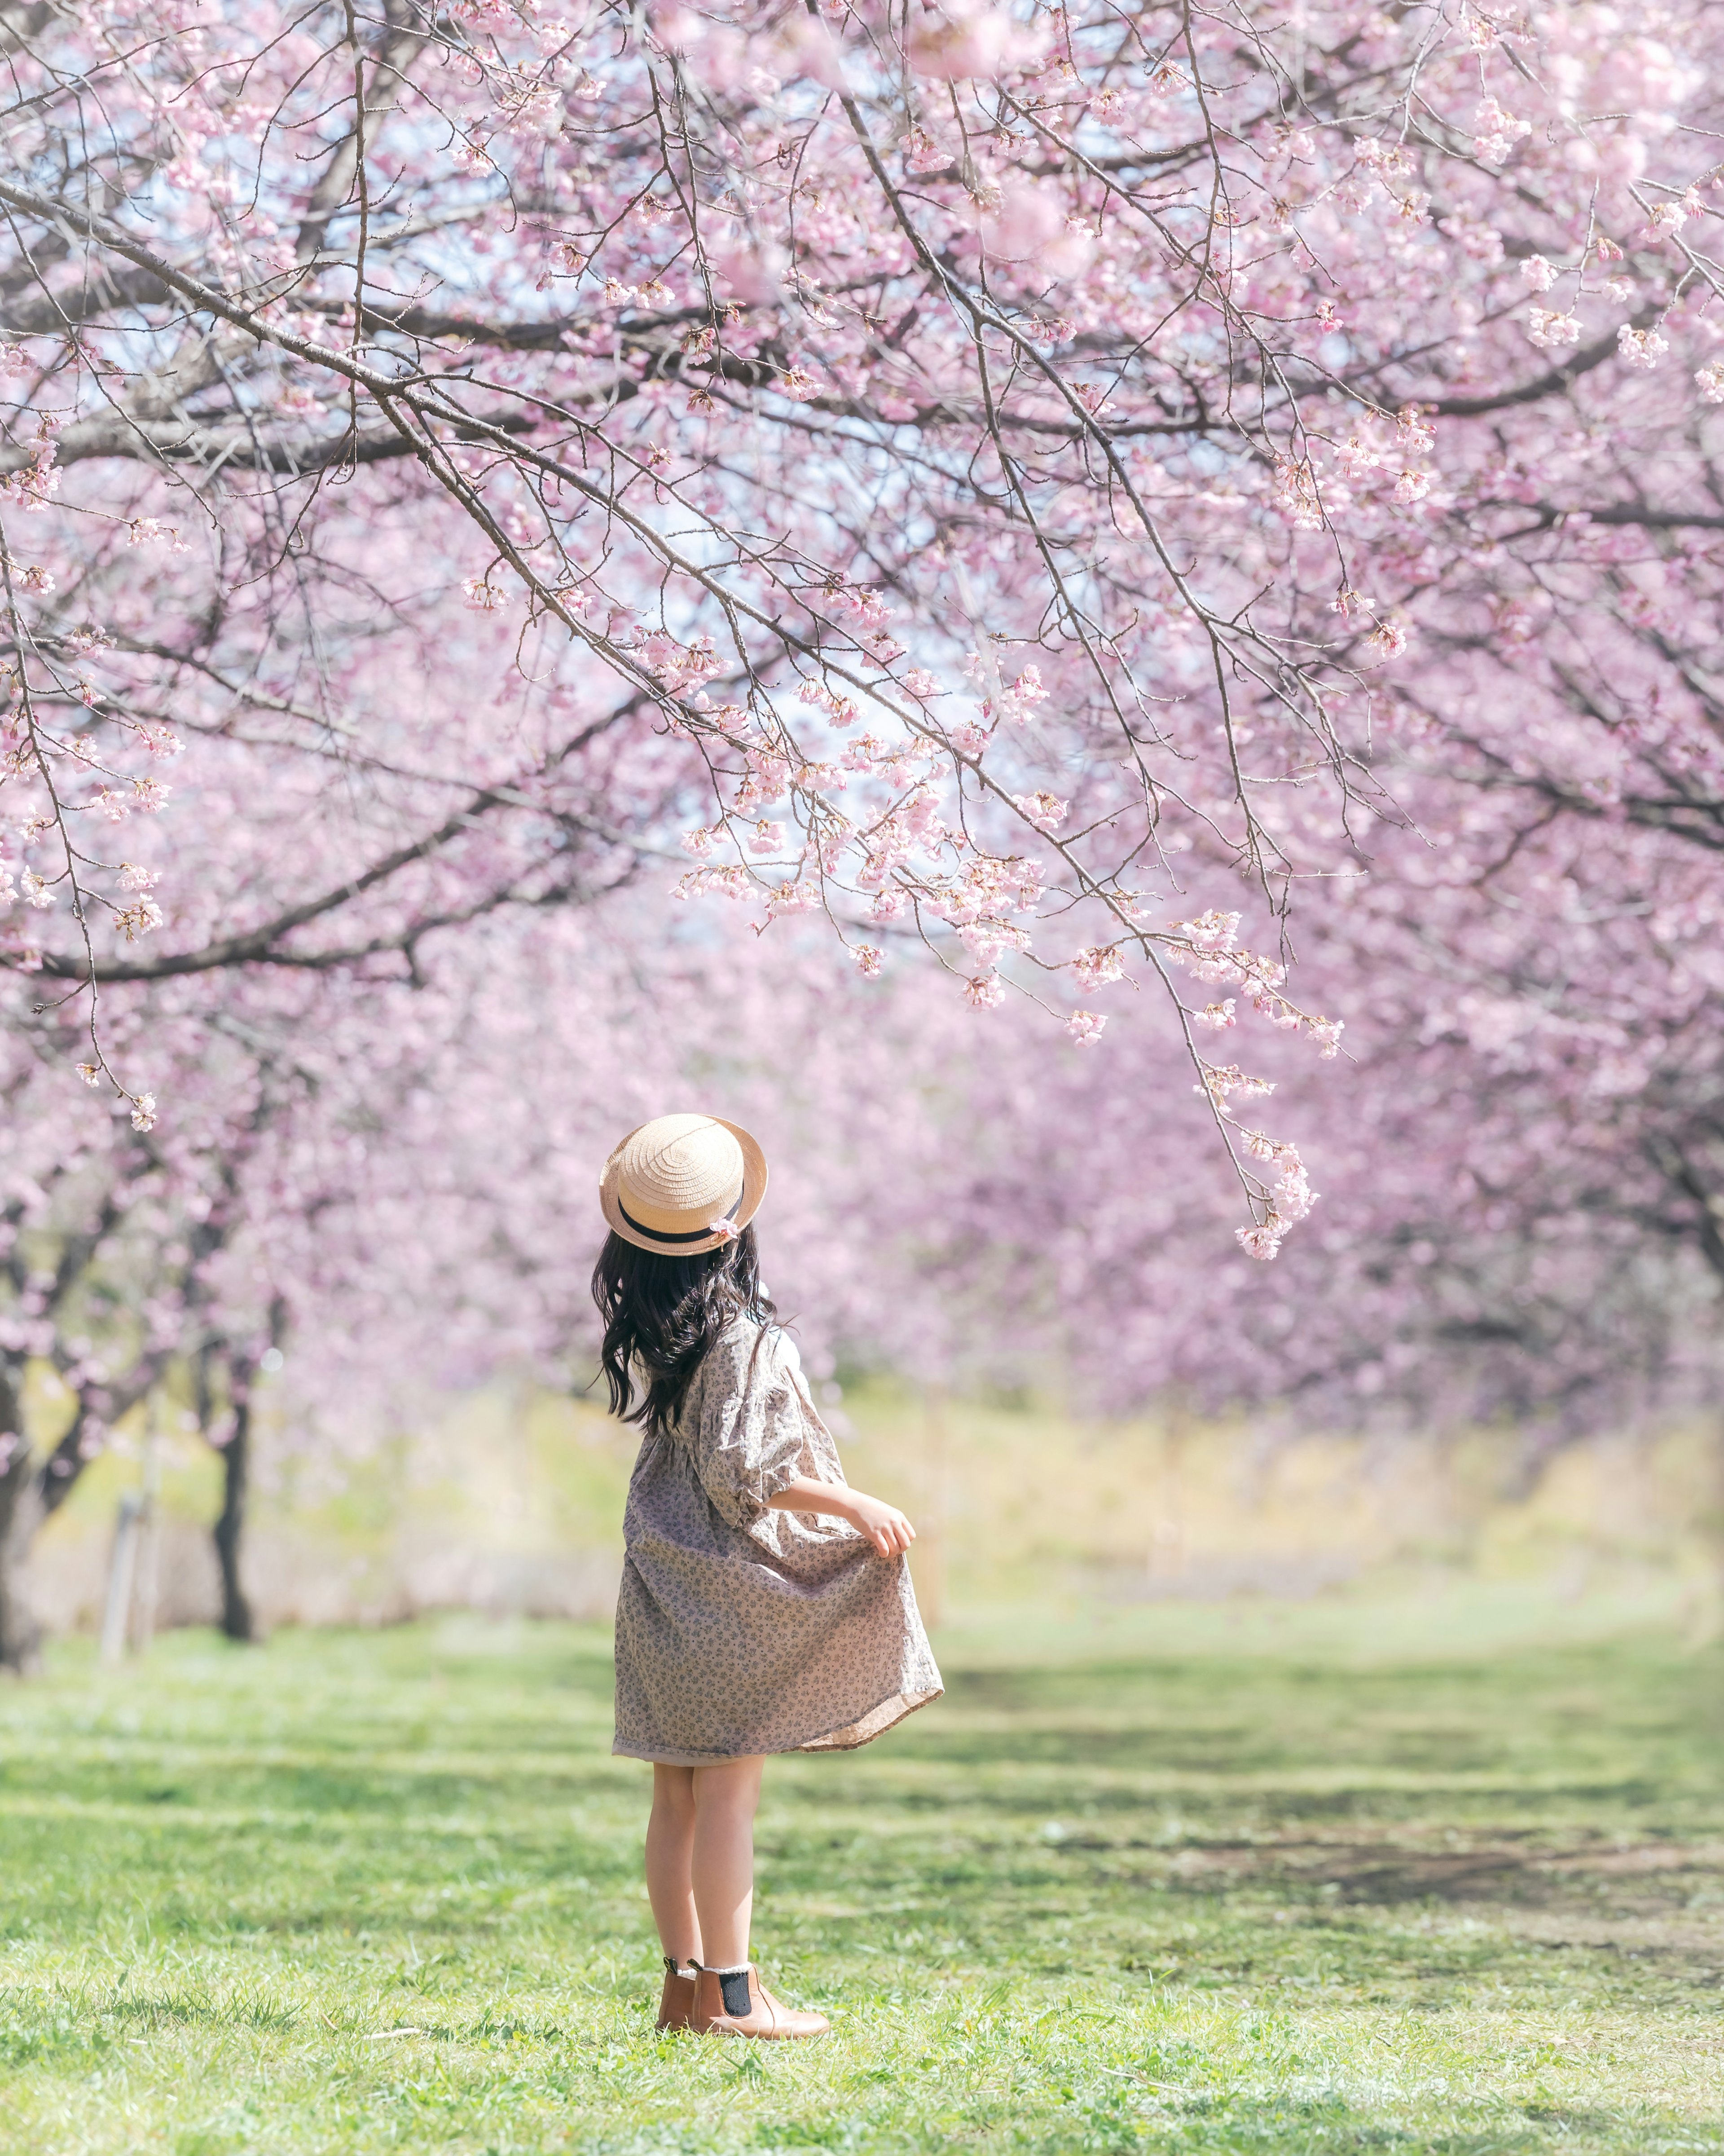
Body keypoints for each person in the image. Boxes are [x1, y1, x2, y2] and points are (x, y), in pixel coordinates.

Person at [592, 1111, 942, 2040]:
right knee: (729, 1798)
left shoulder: (664, 1332)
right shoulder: (741, 1335)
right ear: (732, 1225)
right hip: (725, 1592)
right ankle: (738, 1997)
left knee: (677, 1795)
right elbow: (748, 1471)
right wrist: (855, 1504)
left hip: (660, 1580)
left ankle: (684, 1991)